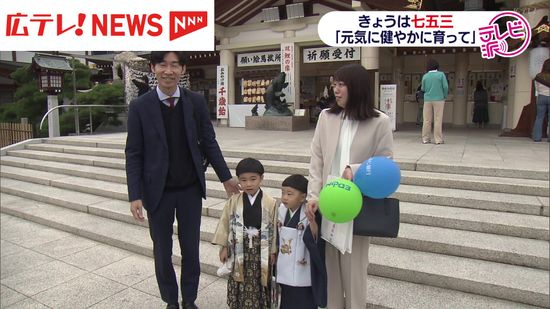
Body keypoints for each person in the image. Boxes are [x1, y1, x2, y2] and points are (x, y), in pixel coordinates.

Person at [125, 51, 240, 309]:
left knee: (191, 250)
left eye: (174, 65)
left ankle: (189, 299)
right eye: (163, 64)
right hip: (158, 192)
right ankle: (170, 300)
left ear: (183, 69)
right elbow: (133, 153)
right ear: (153, 68)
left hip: (189, 189)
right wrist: (135, 194)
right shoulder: (140, 107)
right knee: (162, 252)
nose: (169, 70)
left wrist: (226, 177)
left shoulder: (195, 102)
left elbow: (209, 141)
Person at [305, 64, 394, 309]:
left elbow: (385, 165)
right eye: (334, 84)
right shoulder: (326, 117)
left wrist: (354, 170)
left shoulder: (379, 122)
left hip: (356, 208)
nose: (336, 90)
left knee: (354, 275)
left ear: (357, 87)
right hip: (328, 205)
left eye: (341, 85)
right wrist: (313, 196)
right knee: (330, 273)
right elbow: (317, 160)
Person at [212, 158, 278, 309]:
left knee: (259, 279)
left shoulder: (270, 202)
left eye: (253, 179)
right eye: (243, 180)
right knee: (239, 278)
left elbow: (274, 228)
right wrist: (223, 247)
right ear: (238, 181)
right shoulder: (234, 201)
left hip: (261, 249)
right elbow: (225, 223)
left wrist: (273, 251)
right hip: (238, 247)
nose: (248, 184)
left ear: (262, 178)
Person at [277, 174, 326, 309]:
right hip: (285, 264)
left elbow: (316, 237)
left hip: (303, 264)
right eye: (283, 193)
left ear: (303, 197)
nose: (285, 197)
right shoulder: (281, 210)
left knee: (304, 300)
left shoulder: (310, 212)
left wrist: (312, 222)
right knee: (287, 298)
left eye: (289, 194)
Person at [421, 59, 448, 144]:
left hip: (427, 100)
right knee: (438, 119)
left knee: (426, 120)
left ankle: (425, 139)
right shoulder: (441, 75)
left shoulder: (425, 76)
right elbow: (445, 87)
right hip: (439, 99)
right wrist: (444, 95)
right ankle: (438, 139)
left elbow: (423, 89)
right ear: (437, 66)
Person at [533, 59, 550, 142]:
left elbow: (536, 89)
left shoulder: (538, 76)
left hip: (541, 97)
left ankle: (537, 137)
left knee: (539, 117)